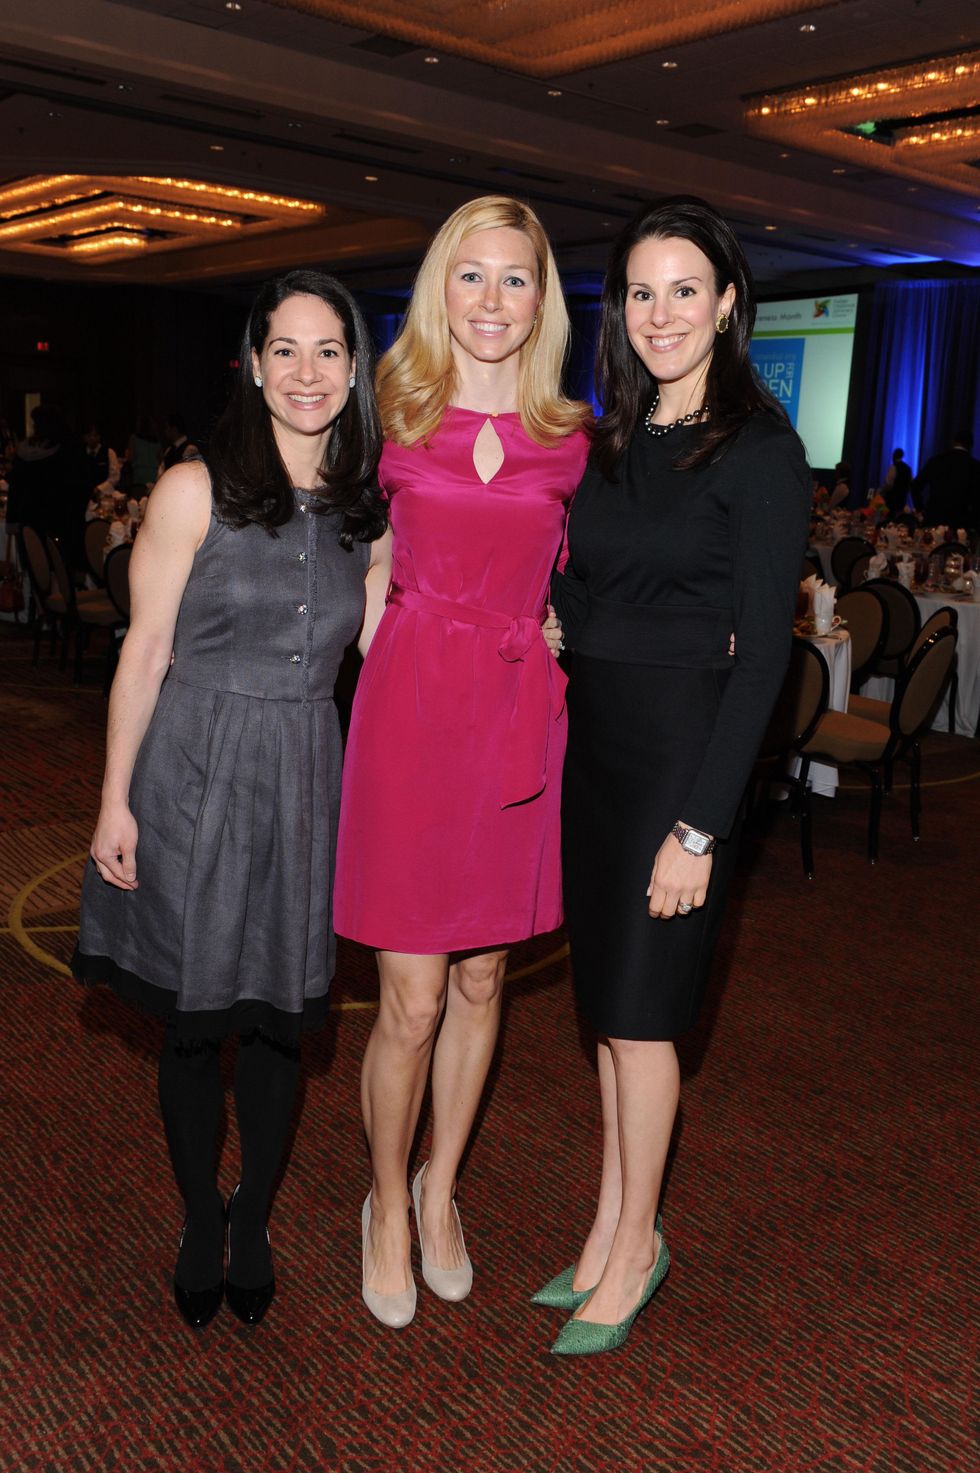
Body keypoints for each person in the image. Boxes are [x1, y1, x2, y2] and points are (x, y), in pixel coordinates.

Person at [72, 269, 387, 1330]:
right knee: (196, 1025)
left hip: (305, 770)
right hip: (194, 766)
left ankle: (250, 1218)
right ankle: (199, 1220)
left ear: (354, 372)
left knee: (276, 1028)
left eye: (327, 351)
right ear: (252, 364)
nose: (306, 372)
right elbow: (143, 651)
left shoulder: (366, 508)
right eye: (284, 350)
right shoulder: (192, 487)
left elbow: (393, 653)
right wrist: (114, 802)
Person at [540, 196, 810, 1355]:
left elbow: (764, 660)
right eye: (640, 292)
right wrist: (556, 619)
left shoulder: (759, 449)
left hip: (676, 762)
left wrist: (699, 828)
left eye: (683, 289)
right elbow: (586, 581)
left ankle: (639, 1244)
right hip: (593, 752)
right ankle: (607, 1225)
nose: (659, 314)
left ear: (727, 303)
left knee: (645, 1022)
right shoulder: (609, 442)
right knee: (606, 1014)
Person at [333, 196, 590, 1329]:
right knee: (412, 997)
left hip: (512, 717)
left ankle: (444, 1189)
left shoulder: (575, 435)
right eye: (470, 276)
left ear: (543, 300)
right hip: (407, 718)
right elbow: (350, 565)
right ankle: (383, 1202)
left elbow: (593, 579)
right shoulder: (388, 412)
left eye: (515, 279)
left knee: (484, 979)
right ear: (441, 287)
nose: (491, 300)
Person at [913, 430, 980, 530]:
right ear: (971, 445)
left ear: (953, 442)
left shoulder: (935, 461)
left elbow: (915, 486)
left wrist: (920, 508)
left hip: (933, 520)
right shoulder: (975, 466)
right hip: (960, 525)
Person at [881, 447, 912, 521]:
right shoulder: (908, 469)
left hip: (891, 501)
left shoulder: (893, 467)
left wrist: (882, 492)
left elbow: (888, 484)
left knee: (888, 519)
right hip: (902, 500)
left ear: (894, 456)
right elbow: (911, 483)